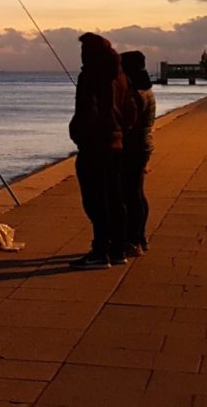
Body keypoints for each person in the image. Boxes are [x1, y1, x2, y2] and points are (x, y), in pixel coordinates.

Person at [68, 33, 138, 269]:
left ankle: (100, 251)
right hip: (116, 146)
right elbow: (132, 111)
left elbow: (87, 111)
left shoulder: (90, 76)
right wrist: (120, 131)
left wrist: (77, 133)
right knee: (115, 199)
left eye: (83, 50)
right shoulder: (122, 77)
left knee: (95, 201)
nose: (81, 55)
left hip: (94, 147)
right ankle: (117, 249)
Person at [120, 50, 156, 255]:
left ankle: (134, 239)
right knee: (136, 194)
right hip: (143, 145)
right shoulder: (146, 90)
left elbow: (128, 123)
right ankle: (140, 237)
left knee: (131, 195)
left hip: (134, 148)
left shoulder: (135, 93)